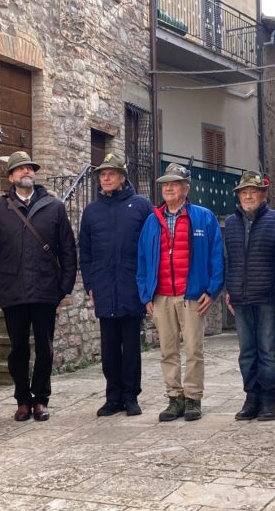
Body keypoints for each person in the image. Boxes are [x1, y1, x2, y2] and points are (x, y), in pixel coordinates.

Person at [0, 151, 78, 422]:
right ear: (11, 176)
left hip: (46, 289)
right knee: (18, 350)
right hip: (13, 291)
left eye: (30, 168)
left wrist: (64, 287)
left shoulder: (54, 207)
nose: (27, 172)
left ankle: (41, 399)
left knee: (45, 348)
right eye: (20, 169)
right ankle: (23, 399)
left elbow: (68, 250)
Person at [137, 163, 224, 422]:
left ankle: (194, 398)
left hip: (192, 296)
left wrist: (212, 289)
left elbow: (217, 256)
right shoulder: (152, 220)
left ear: (186, 188)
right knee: (168, 350)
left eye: (174, 183)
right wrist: (145, 294)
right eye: (165, 184)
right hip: (161, 296)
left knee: (193, 349)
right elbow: (142, 259)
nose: (169, 188)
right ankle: (174, 398)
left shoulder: (204, 217)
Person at [79, 153, 151, 417]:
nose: (105, 178)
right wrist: (90, 283)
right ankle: (113, 396)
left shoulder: (141, 206)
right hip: (104, 287)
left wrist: (146, 284)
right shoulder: (91, 211)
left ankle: (131, 396)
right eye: (102, 174)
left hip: (131, 285)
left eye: (111, 174)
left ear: (122, 177)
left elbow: (149, 247)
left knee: (131, 345)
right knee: (109, 347)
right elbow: (84, 251)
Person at [223, 171, 275, 421]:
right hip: (240, 299)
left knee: (267, 351)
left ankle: (268, 400)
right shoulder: (231, 223)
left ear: (263, 194)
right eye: (244, 192)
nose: (248, 196)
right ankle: (251, 398)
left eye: (253, 191)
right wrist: (228, 291)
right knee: (246, 351)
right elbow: (229, 260)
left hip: (268, 298)